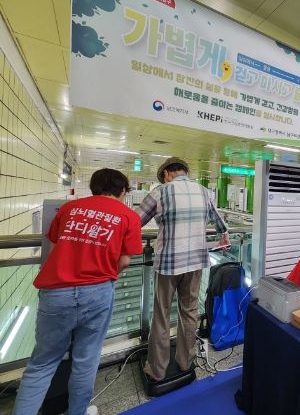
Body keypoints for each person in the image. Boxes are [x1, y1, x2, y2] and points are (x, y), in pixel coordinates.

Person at [12, 169, 142, 415]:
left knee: (42, 364)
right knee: (86, 360)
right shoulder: (129, 216)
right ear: (123, 190)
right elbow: (125, 261)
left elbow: (54, 248)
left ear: (94, 187)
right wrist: (105, 274)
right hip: (98, 292)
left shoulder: (69, 209)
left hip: (56, 292)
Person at [137, 157, 229, 382]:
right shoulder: (204, 192)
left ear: (167, 173)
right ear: (186, 172)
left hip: (168, 264)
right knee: (189, 313)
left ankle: (157, 370)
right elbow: (219, 223)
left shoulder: (161, 192)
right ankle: (185, 362)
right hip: (195, 262)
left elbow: (134, 221)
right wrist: (224, 235)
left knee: (161, 316)